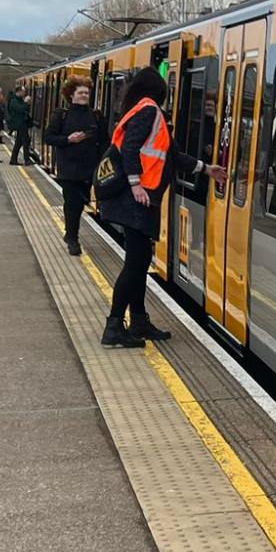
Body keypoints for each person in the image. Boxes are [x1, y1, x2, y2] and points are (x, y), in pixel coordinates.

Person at [98, 70, 223, 347]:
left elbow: (172, 153)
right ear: (159, 90)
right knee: (135, 264)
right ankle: (114, 325)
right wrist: (136, 185)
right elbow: (130, 149)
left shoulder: (145, 111)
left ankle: (139, 320)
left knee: (140, 262)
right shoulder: (149, 111)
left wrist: (206, 169)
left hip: (140, 200)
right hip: (136, 200)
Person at [44, 76, 105, 255]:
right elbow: (48, 137)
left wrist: (102, 160)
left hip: (89, 168)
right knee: (72, 204)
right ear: (72, 95)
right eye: (81, 92)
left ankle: (70, 233)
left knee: (81, 203)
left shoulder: (96, 115)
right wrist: (68, 139)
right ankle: (72, 238)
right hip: (68, 169)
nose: (85, 95)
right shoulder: (61, 115)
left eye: (87, 92)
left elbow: (104, 141)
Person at [6, 84, 36, 166]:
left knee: (18, 143)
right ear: (18, 91)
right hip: (19, 124)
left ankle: (13, 159)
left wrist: (27, 104)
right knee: (26, 141)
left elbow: (25, 109)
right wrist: (26, 102)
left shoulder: (19, 100)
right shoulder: (14, 101)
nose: (24, 93)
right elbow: (21, 109)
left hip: (22, 123)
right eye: (23, 91)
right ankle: (27, 160)